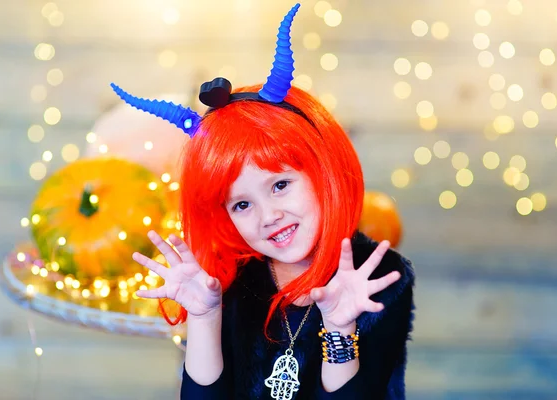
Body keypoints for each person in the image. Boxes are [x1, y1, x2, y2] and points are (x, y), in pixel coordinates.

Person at [111, 4, 415, 399]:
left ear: (323, 169)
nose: (268, 216)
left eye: (280, 185)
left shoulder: (378, 277)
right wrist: (204, 317)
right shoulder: (232, 274)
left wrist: (340, 332)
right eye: (241, 205)